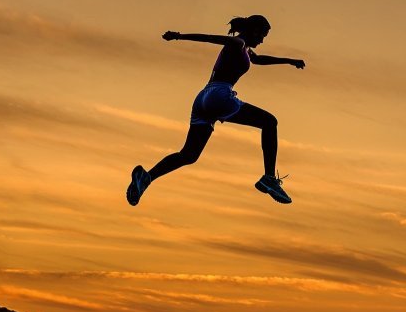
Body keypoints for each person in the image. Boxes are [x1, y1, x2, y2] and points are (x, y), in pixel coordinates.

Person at [126, 14, 305, 206]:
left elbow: (259, 59)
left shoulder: (245, 49)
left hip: (203, 98)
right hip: (220, 94)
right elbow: (210, 38)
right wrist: (179, 36)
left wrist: (289, 60)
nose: (262, 40)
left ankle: (147, 177)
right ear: (253, 30)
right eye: (262, 35)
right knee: (269, 122)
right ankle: (269, 177)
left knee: (189, 155)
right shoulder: (237, 42)